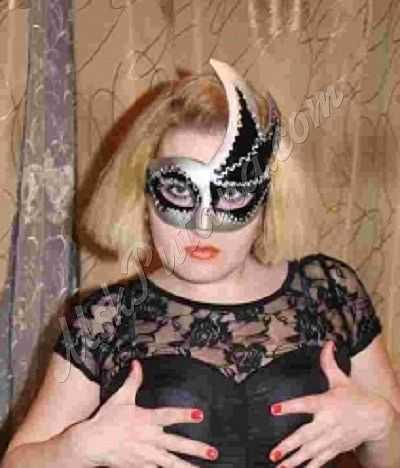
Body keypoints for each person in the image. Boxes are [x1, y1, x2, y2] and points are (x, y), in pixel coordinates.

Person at [2, 59, 400, 468]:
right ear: (142, 196)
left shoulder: (331, 291)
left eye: (232, 195)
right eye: (178, 190)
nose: (203, 227)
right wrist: (79, 447)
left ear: (268, 201)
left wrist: (382, 426)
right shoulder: (104, 319)